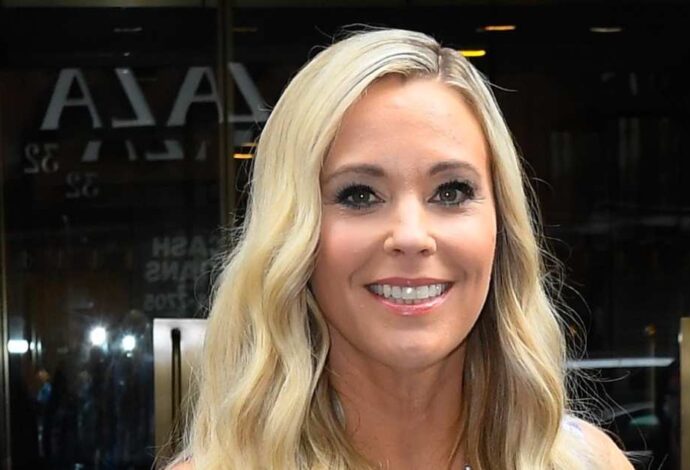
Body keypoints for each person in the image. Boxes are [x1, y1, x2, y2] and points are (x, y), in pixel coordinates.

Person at [166, 28, 632, 469]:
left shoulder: (590, 463)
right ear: (291, 236)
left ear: (502, 226)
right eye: (359, 195)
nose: (411, 236)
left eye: (451, 191)